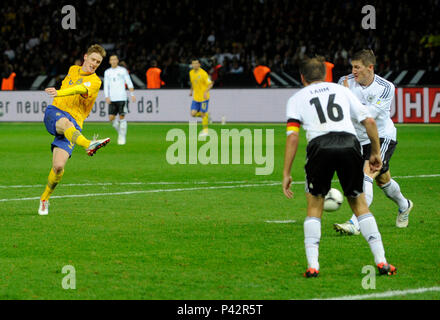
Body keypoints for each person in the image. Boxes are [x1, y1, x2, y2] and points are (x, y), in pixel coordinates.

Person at [282, 56, 396, 277]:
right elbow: (370, 122)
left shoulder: (297, 98)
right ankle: (382, 262)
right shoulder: (341, 91)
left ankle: (313, 266)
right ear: (325, 75)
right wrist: (374, 152)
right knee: (360, 204)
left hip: (319, 147)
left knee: (314, 207)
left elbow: (293, 138)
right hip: (349, 144)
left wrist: (286, 172)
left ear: (302, 77)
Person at [334, 49, 413, 235]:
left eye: (357, 67)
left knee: (366, 175)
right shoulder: (343, 83)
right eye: (352, 67)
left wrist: (349, 99)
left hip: (381, 136)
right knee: (383, 180)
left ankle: (355, 223)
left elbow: (369, 115)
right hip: (358, 139)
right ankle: (404, 205)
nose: (353, 71)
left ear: (370, 67)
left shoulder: (386, 87)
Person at [38, 44, 111, 216]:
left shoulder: (95, 81)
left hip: (75, 125)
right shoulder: (73, 69)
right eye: (93, 59)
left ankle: (44, 199)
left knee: (58, 166)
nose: (94, 64)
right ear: (85, 57)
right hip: (55, 113)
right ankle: (88, 144)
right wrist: (59, 95)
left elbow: (79, 89)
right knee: (66, 124)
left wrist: (59, 92)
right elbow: (72, 87)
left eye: (98, 62)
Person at [104, 54, 135, 145]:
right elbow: (106, 85)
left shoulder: (123, 70)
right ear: (109, 61)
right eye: (111, 60)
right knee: (111, 118)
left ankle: (122, 137)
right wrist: (107, 96)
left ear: (117, 61)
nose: (113, 61)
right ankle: (121, 133)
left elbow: (128, 82)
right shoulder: (107, 72)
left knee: (122, 117)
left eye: (115, 59)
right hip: (112, 98)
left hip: (122, 97)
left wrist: (132, 94)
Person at [189, 58, 213, 137]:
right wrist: (191, 91)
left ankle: (206, 131)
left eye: (196, 63)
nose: (195, 65)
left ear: (199, 65)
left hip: (204, 98)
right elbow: (193, 82)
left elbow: (210, 84)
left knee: (202, 113)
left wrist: (206, 92)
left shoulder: (203, 73)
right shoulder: (191, 73)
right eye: (193, 63)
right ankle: (207, 115)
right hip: (196, 98)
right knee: (192, 114)